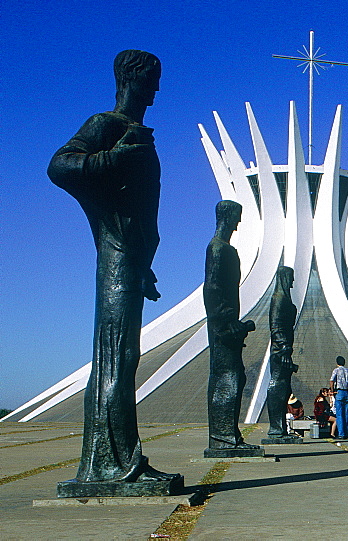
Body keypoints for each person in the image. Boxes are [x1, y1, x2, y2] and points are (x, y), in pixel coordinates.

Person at [48, 49, 178, 486]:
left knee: (124, 358)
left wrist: (145, 264)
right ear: (132, 79)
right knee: (114, 357)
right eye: (152, 79)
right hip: (116, 256)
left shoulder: (137, 133)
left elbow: (139, 212)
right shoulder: (107, 126)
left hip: (132, 260)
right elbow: (60, 165)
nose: (157, 89)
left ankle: (119, 458)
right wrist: (114, 159)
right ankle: (109, 465)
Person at [205, 200, 259, 452]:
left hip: (229, 325)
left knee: (235, 376)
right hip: (223, 328)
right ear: (226, 217)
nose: (238, 223)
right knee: (227, 376)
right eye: (236, 217)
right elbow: (212, 288)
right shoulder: (218, 249)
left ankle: (228, 434)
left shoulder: (227, 250)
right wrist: (226, 323)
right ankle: (222, 438)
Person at [265, 266, 298, 438]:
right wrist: (284, 348)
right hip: (280, 352)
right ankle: (275, 428)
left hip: (285, 350)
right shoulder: (278, 299)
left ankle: (281, 428)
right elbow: (276, 326)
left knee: (285, 389)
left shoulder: (285, 298)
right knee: (278, 385)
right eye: (291, 278)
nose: (293, 281)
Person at [329, 356, 348, 438]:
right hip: (346, 392)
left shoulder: (336, 370)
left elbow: (331, 381)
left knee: (339, 414)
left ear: (337, 362)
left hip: (339, 392)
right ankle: (345, 432)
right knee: (345, 414)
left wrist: (332, 390)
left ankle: (341, 433)